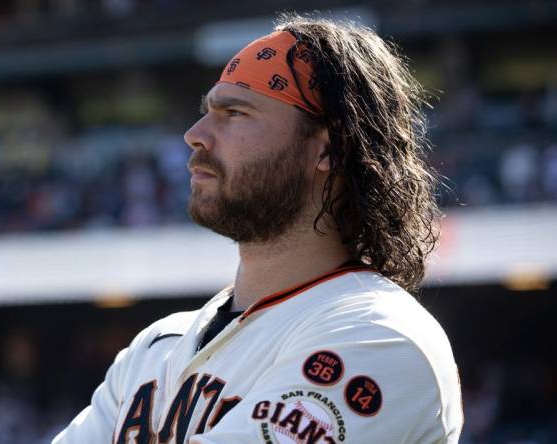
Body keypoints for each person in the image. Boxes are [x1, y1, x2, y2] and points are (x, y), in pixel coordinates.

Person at [54, 14, 463, 444]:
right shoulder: (155, 347)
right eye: (206, 111)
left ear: (330, 148)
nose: (195, 135)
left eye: (234, 113)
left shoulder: (379, 336)